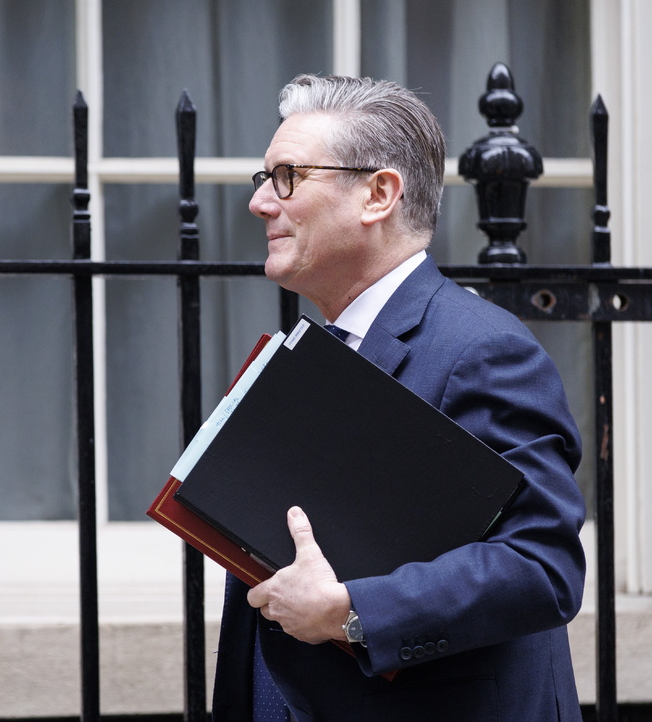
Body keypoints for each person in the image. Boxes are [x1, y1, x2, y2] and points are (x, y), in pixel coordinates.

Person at [211, 74, 586, 722]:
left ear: (378, 194)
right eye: (264, 178)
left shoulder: (483, 348)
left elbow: (542, 565)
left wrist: (352, 611)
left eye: (288, 177)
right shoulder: (311, 355)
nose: (261, 203)